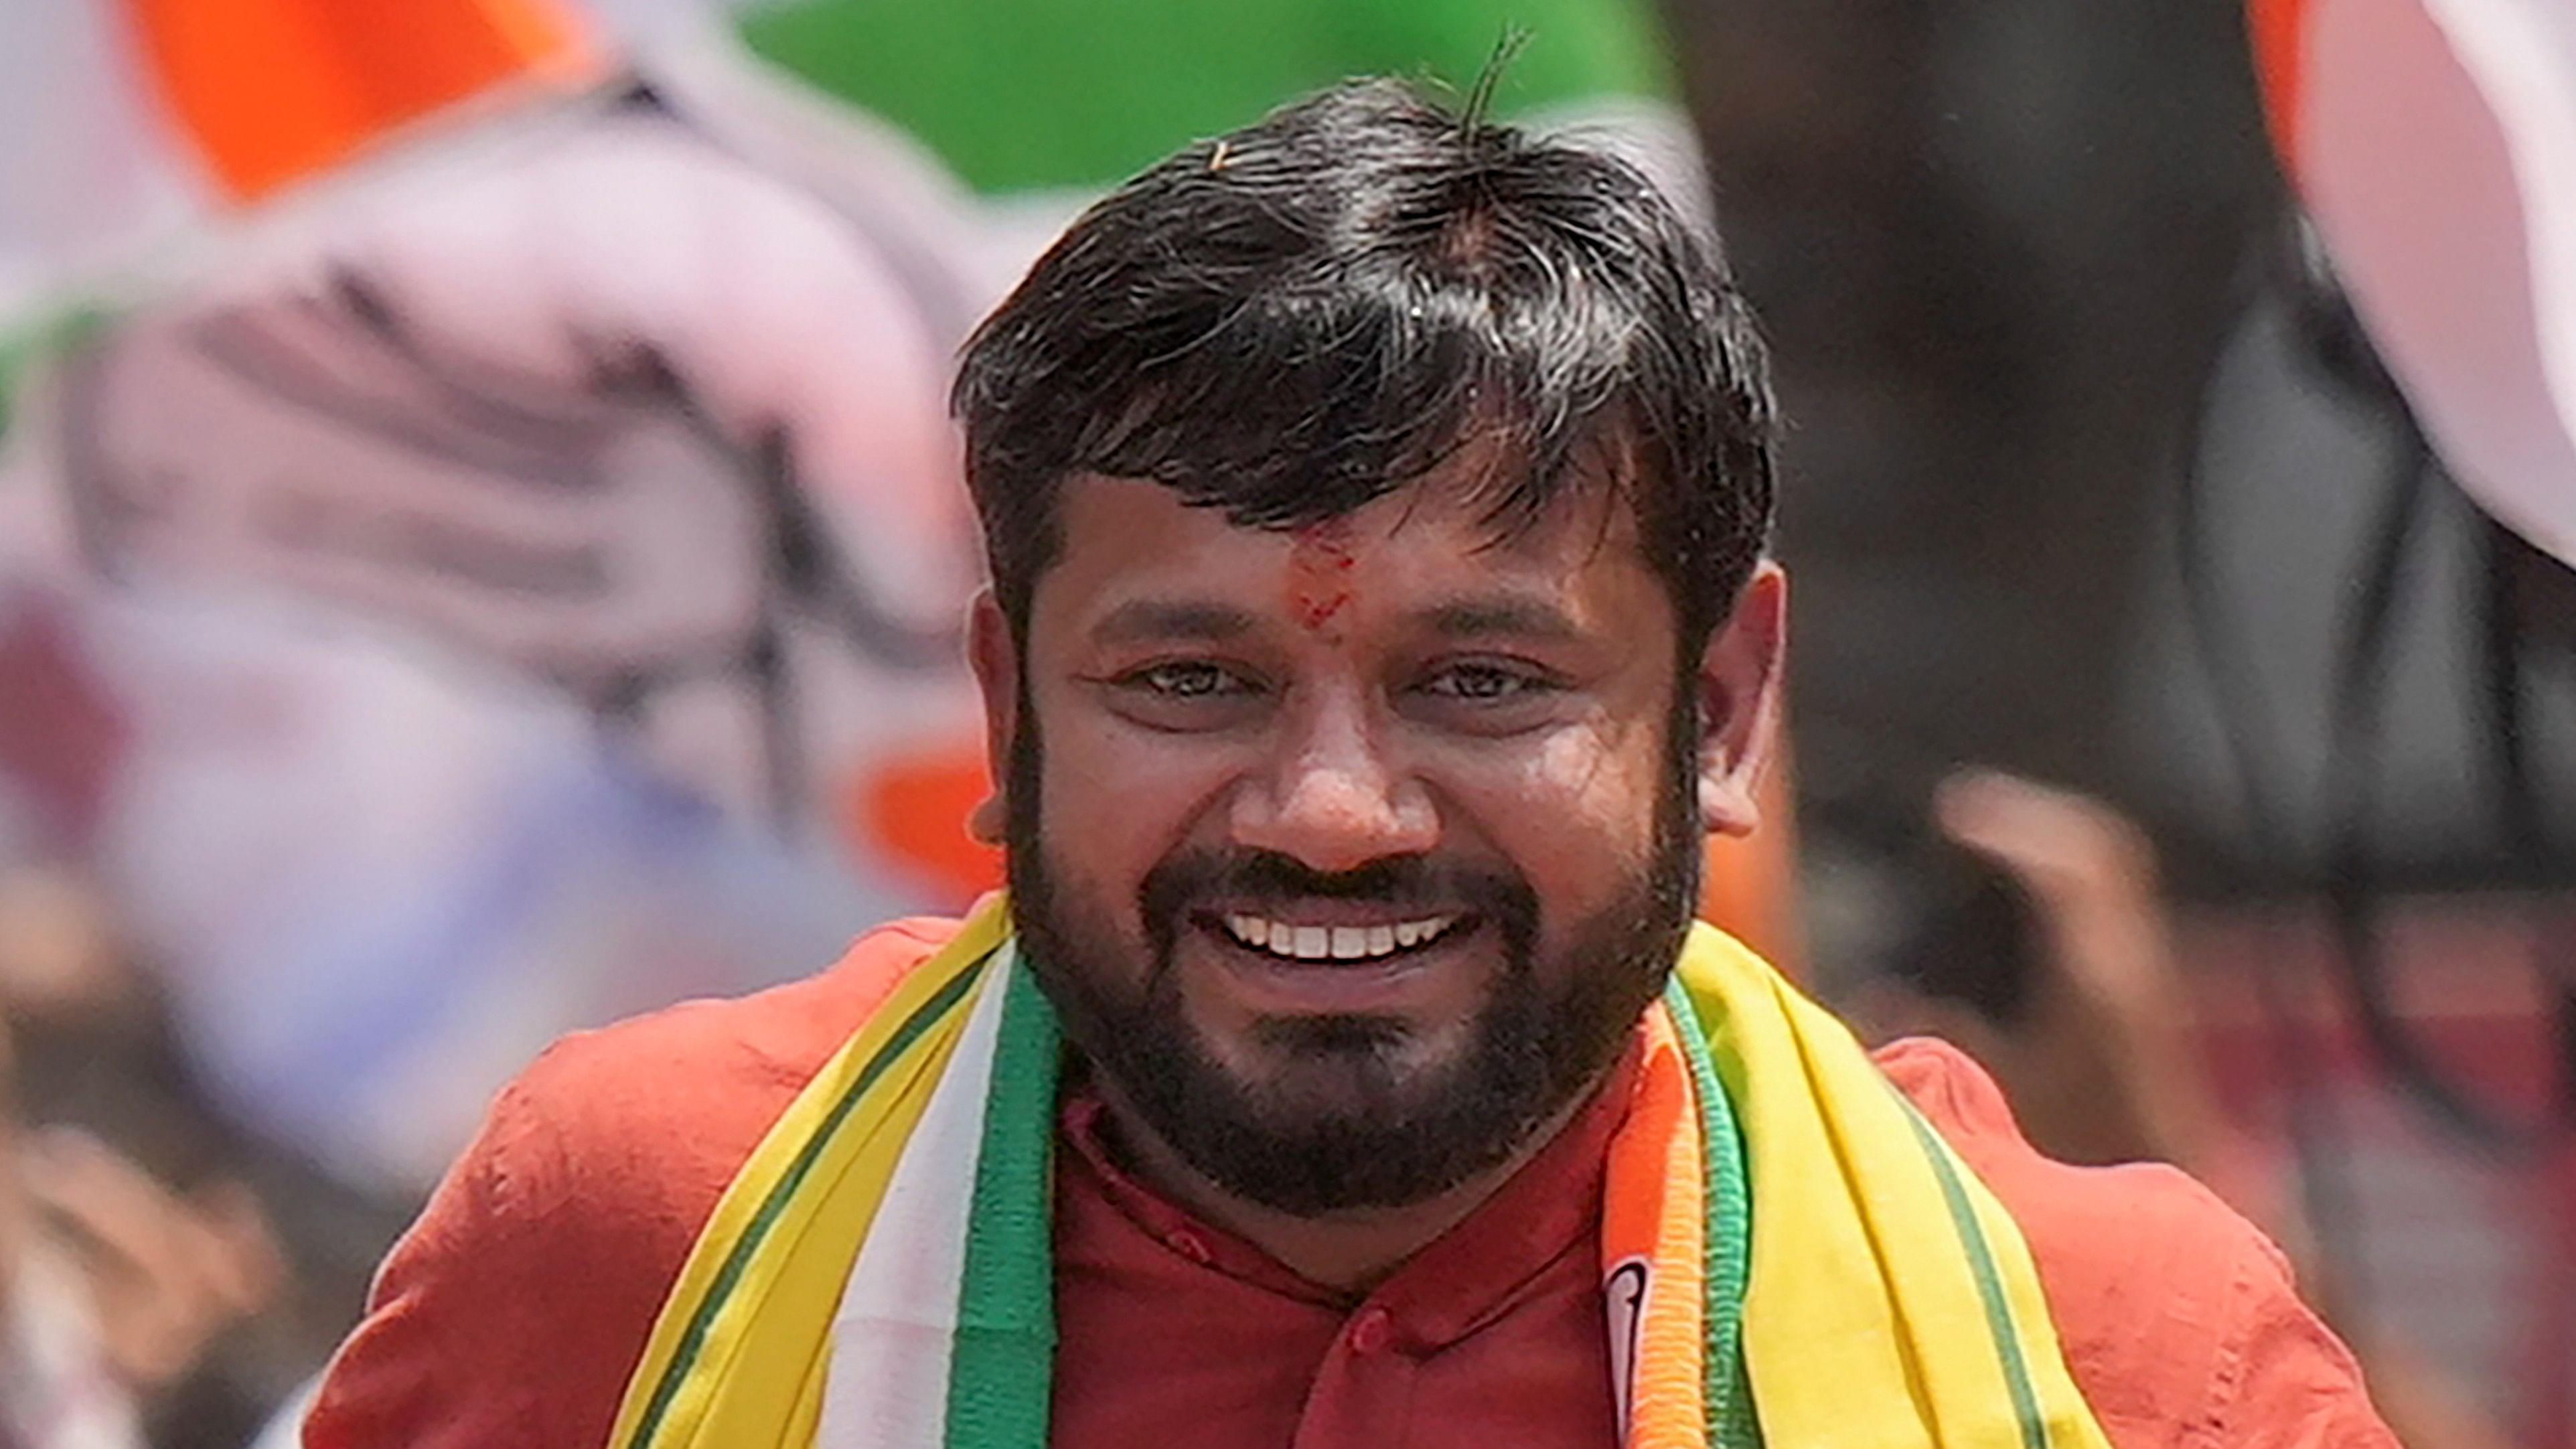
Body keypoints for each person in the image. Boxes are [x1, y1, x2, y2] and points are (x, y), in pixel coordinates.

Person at [303, 78, 2395, 1448]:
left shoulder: (2119, 1360)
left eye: (1481, 681)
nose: (1327, 813)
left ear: (1728, 708)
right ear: (1009, 711)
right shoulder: (634, 1238)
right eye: (1191, 682)